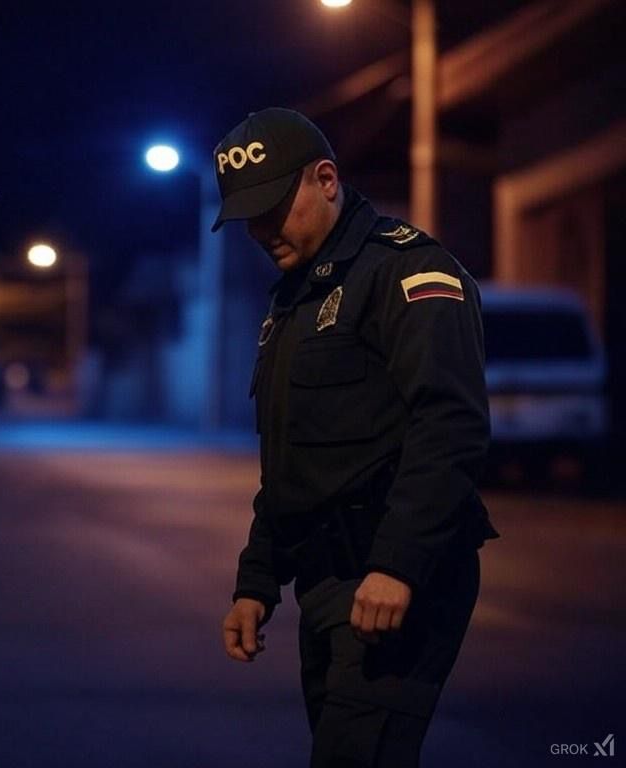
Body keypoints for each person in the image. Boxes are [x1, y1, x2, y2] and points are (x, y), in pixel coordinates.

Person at [214, 108, 499, 767]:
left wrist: (397, 564)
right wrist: (257, 580)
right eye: (247, 217)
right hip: (327, 580)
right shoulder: (297, 298)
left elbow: (450, 426)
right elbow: (289, 461)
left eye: (273, 208)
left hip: (399, 576)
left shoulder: (408, 272)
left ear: (327, 179)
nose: (259, 231)